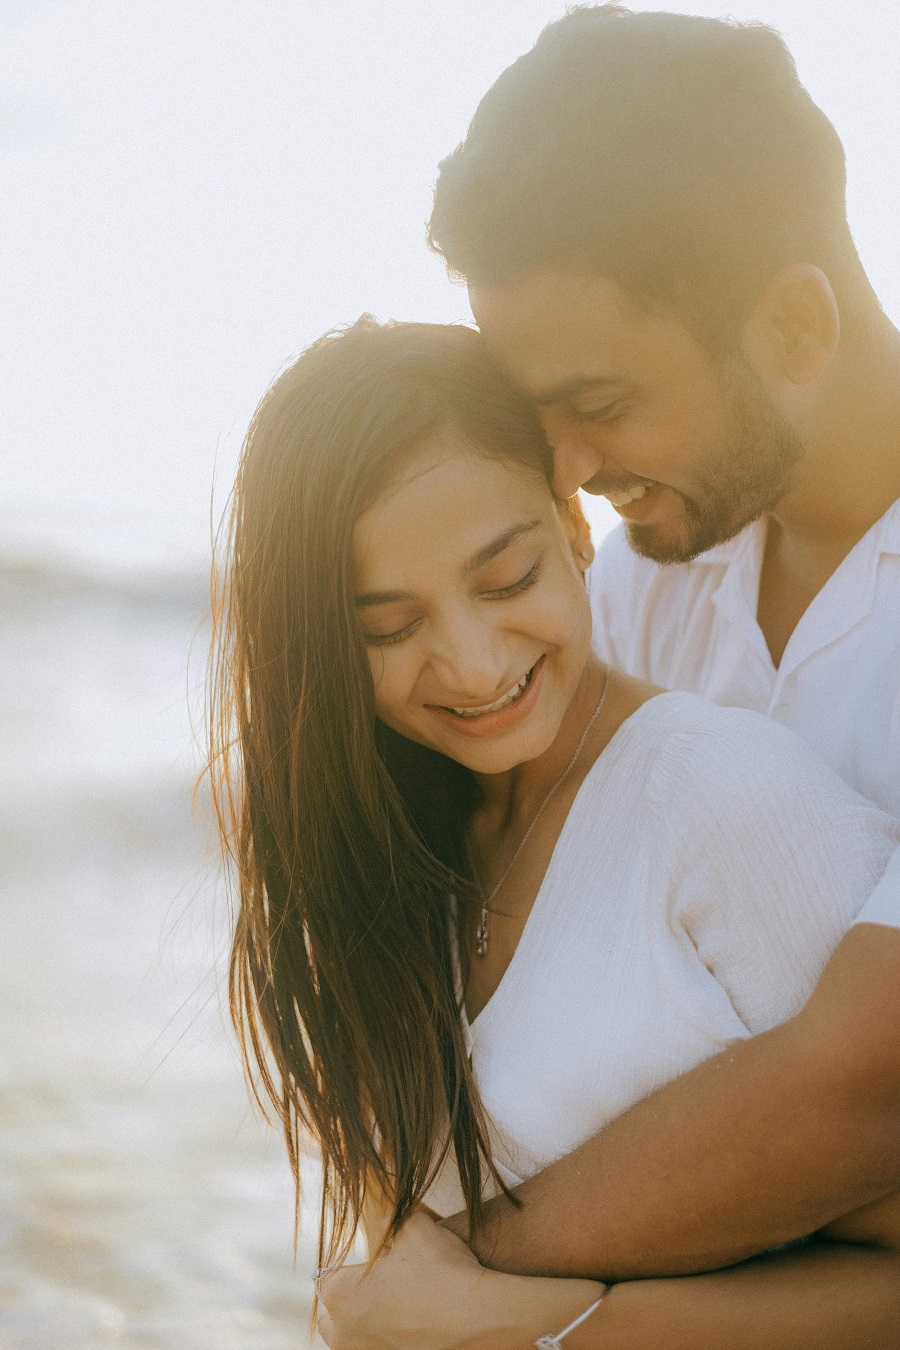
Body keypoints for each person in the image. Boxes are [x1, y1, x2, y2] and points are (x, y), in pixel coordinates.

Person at [317, 6, 900, 1346]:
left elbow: (872, 1077)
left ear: (796, 326)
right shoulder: (643, 569)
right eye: (543, 423)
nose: (568, 472)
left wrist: (477, 1273)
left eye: (599, 405)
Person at [209, 316, 900, 1348]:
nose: (476, 666)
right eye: (391, 627)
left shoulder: (721, 796)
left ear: (576, 531)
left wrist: (557, 1328)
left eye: (507, 578)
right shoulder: (379, 848)